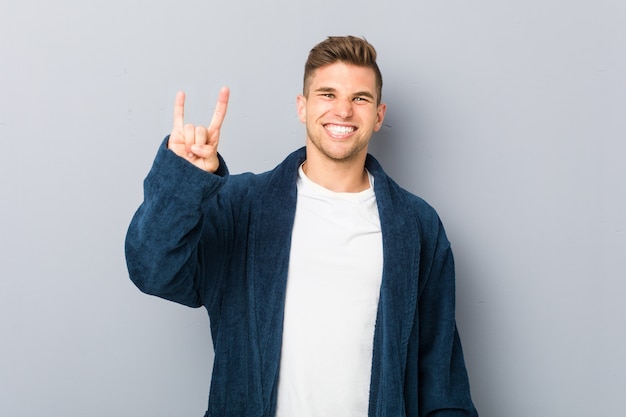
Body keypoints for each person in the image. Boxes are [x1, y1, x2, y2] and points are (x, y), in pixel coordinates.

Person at [125, 36, 478, 417]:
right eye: (327, 94)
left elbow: (441, 377)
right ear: (302, 107)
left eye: (360, 98)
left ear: (378, 114)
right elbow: (153, 270)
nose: (343, 111)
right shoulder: (242, 206)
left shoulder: (416, 225)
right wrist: (183, 181)